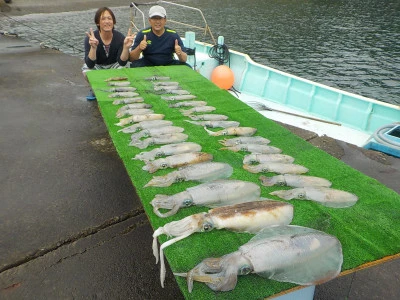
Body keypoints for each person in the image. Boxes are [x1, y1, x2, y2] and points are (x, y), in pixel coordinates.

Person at [83, 7, 136, 100]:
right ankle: (95, 88)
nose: (107, 21)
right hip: (97, 66)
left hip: (114, 66)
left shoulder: (120, 37)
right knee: (86, 71)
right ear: (98, 23)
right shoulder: (90, 38)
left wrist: (126, 47)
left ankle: (114, 87)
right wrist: (93, 47)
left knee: (125, 67)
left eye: (109, 18)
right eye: (103, 19)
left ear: (113, 22)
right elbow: (90, 64)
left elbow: (122, 62)